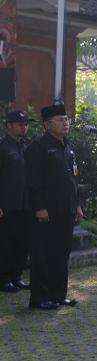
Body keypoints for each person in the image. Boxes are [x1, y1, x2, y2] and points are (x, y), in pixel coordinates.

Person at [25, 105, 83, 310]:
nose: (65, 123)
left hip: (65, 210)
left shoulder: (67, 146)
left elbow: (73, 179)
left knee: (61, 254)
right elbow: (33, 182)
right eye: (60, 120)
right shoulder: (37, 148)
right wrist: (39, 207)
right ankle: (40, 298)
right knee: (43, 255)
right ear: (47, 124)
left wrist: (76, 205)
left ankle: (59, 295)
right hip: (46, 212)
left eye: (66, 119)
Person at [0, 110, 34, 293]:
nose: (24, 127)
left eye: (26, 123)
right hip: (7, 206)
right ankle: (4, 279)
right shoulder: (2, 147)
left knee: (22, 243)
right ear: (9, 126)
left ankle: (16, 276)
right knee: (6, 244)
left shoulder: (26, 146)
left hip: (25, 204)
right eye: (20, 124)